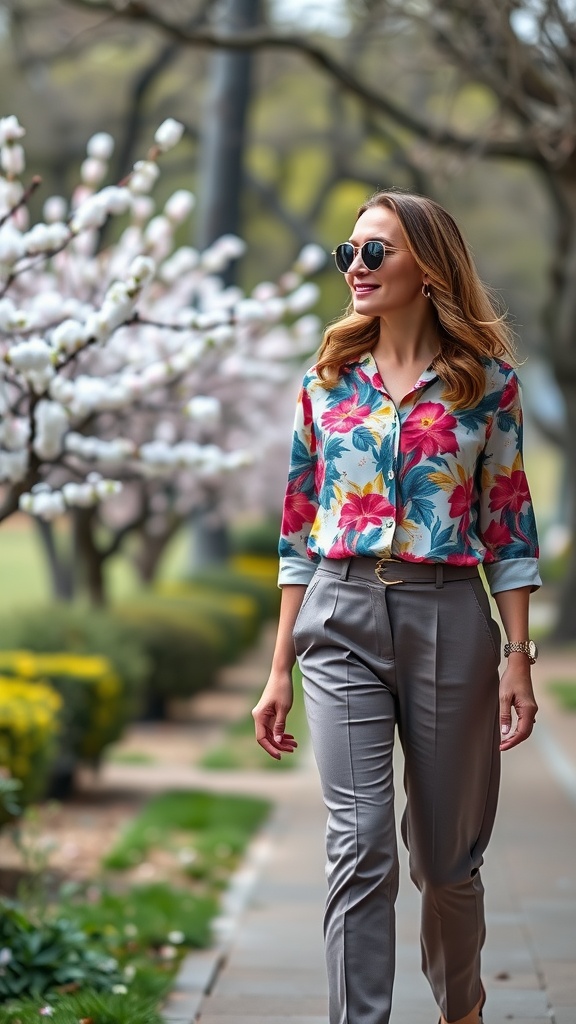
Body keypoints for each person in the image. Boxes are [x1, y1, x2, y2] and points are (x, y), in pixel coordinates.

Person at [252, 189, 540, 1024]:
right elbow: (298, 533)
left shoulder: (488, 387)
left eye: (375, 251)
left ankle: (461, 1008)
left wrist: (517, 660)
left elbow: (510, 529)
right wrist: (279, 670)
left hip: (449, 617)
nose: (356, 267)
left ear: (428, 266)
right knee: (359, 845)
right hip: (337, 618)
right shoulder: (327, 384)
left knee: (446, 861)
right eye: (349, 252)